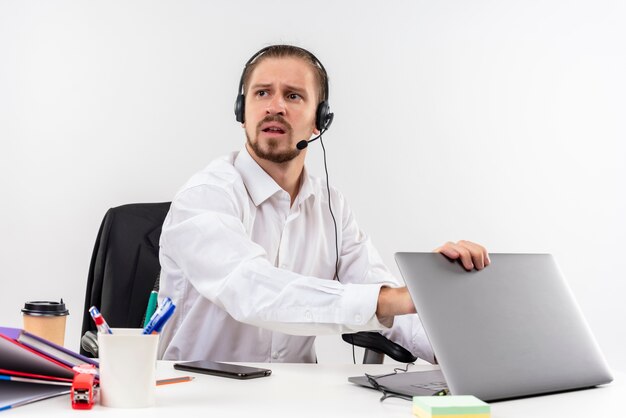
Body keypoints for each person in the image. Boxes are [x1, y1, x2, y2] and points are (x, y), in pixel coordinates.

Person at [157, 45, 489, 363]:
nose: (275, 106)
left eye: (293, 95)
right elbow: (249, 290)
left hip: (297, 395)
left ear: (320, 119)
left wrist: (452, 332)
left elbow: (378, 291)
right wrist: (392, 298)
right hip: (200, 392)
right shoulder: (206, 196)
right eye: (262, 93)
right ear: (241, 112)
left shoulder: (331, 206)